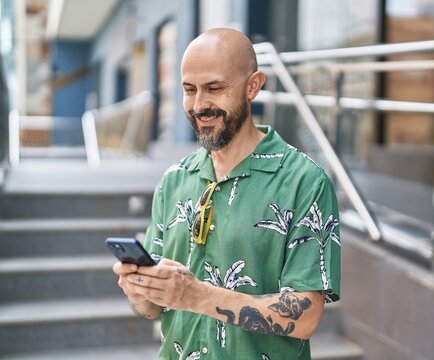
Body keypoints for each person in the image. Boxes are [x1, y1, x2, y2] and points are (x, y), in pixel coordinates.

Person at [112, 28, 341, 360]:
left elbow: (305, 317)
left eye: (214, 88)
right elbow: (151, 309)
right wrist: (139, 289)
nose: (200, 105)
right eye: (190, 90)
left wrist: (197, 296)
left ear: (253, 86)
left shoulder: (305, 181)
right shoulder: (174, 180)